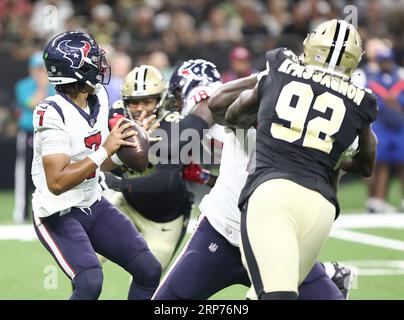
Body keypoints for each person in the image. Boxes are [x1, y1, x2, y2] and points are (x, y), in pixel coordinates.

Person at [152, 73, 356, 301]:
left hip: (276, 237)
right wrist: (264, 77)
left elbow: (340, 178)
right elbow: (218, 108)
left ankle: (325, 273)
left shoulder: (325, 125)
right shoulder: (262, 96)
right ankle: (328, 272)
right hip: (224, 229)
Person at [224, 19, 378, 300]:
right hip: (321, 207)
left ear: (310, 46)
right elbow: (366, 166)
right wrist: (330, 156)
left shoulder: (281, 64)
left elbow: (233, 115)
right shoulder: (363, 100)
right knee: (270, 293)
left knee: (274, 294)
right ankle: (331, 279)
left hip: (272, 194)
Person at [31, 31, 161, 300]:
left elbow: (101, 164)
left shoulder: (99, 96)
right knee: (90, 282)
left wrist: (133, 145)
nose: (100, 66)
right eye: (93, 61)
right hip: (57, 212)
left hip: (92, 202)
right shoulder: (51, 112)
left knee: (148, 269)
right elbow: (57, 183)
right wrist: (105, 150)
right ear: (76, 71)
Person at [100, 63, 218, 271]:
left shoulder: (175, 124)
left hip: (166, 219)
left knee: (146, 281)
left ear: (161, 99)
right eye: (134, 102)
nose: (140, 108)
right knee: (88, 263)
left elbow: (166, 181)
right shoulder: (117, 113)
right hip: (128, 204)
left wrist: (120, 184)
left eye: (147, 101)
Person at [13, 51, 55, 223]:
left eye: (43, 69)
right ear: (31, 70)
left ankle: (48, 210)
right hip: (28, 133)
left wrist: (46, 86)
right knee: (23, 172)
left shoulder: (54, 85)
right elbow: (33, 104)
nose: (40, 72)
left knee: (49, 172)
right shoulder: (22, 85)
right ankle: (21, 212)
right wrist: (41, 87)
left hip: (49, 133)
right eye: (37, 69)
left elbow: (53, 107)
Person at [365, 48, 404, 213]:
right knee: (380, 164)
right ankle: (378, 200)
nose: (386, 63)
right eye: (383, 61)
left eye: (388, 60)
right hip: (382, 127)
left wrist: (397, 101)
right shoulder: (372, 80)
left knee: (402, 164)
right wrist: (385, 102)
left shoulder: (399, 78)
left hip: (399, 127)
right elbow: (370, 102)